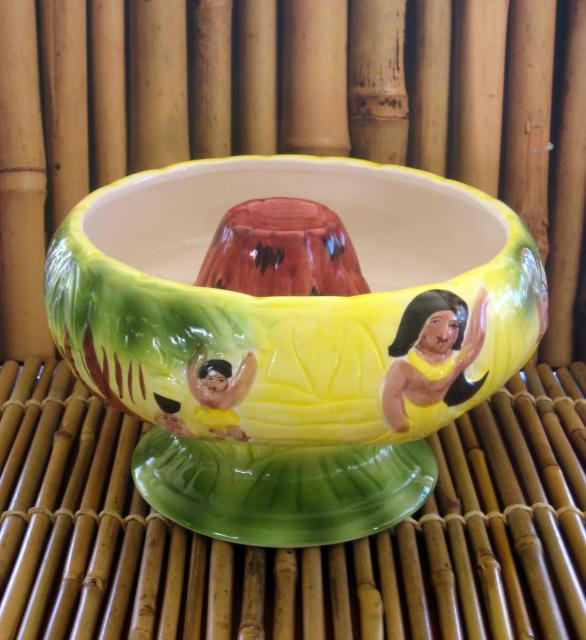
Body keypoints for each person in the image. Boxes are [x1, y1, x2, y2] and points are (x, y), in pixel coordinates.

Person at [382, 288, 489, 432]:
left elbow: (475, 341)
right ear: (419, 324)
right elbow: (390, 400)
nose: (444, 334)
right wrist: (402, 426)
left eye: (453, 325)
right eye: (435, 322)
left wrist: (481, 302)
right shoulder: (402, 368)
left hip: (443, 428)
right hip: (406, 428)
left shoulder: (456, 363)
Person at [187, 352, 257, 440]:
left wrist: (250, 361)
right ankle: (218, 435)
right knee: (217, 430)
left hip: (225, 417)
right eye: (211, 378)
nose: (214, 383)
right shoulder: (201, 391)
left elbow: (242, 383)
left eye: (221, 380)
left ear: (227, 383)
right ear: (205, 379)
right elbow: (192, 379)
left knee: (233, 428)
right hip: (208, 416)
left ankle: (241, 437)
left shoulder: (227, 395)